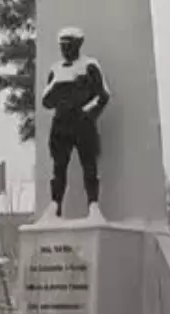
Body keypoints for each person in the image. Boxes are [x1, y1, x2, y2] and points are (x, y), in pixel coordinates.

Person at [41, 25, 111, 220]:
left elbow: (103, 96)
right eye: (62, 45)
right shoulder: (55, 70)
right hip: (61, 126)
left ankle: (93, 206)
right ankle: (55, 206)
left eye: (68, 45)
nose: (64, 49)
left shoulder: (89, 66)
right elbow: (46, 101)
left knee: (89, 167)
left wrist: (89, 113)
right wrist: (56, 87)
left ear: (78, 45)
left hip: (83, 125)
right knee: (58, 168)